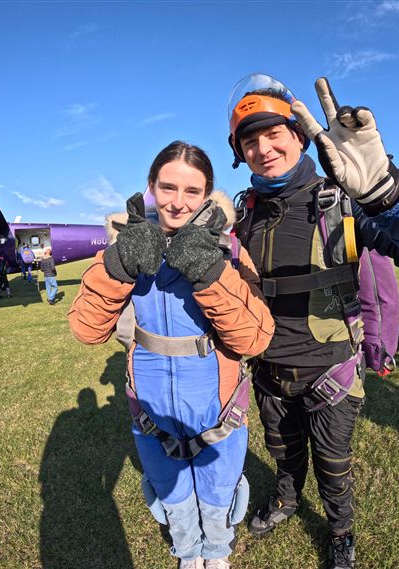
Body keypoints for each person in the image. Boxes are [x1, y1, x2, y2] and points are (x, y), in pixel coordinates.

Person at [227, 74, 399, 569]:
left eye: (274, 134)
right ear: (239, 153)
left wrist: (387, 193)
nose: (263, 149)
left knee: (333, 466)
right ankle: (287, 499)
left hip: (329, 372)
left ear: (299, 137)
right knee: (282, 451)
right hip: (268, 371)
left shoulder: (343, 199)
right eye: (250, 141)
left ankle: (340, 532)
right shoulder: (243, 215)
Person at [68, 141, 274, 569]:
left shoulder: (230, 251)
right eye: (167, 188)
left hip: (218, 406)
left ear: (207, 194)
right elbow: (86, 330)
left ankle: (216, 552)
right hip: (151, 406)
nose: (178, 202)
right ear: (151, 186)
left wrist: (209, 272)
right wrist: (118, 265)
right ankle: (188, 552)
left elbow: (254, 339)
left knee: (218, 490)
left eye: (192, 191)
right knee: (171, 491)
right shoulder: (125, 245)